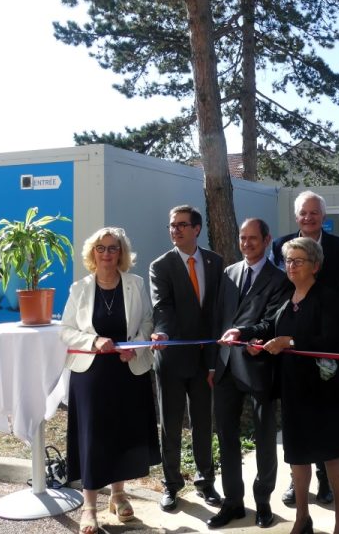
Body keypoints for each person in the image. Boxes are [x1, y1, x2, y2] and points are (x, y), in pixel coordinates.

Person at [245, 237, 339, 534]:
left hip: (325, 391)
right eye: (288, 261)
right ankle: (302, 517)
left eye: (298, 261)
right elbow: (268, 326)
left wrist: (290, 342)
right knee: (298, 457)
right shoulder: (287, 299)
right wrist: (250, 337)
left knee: (332, 455)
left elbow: (332, 340)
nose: (291, 266)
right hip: (294, 390)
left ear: (315, 265)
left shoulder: (329, 297)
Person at [59, 227, 160, 534]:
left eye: (113, 248)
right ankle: (89, 507)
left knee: (122, 435)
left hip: (126, 372)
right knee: (92, 438)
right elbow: (65, 330)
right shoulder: (80, 288)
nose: (106, 254)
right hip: (91, 375)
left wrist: (136, 346)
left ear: (121, 253)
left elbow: (146, 322)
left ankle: (118, 495)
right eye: (101, 249)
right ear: (93, 253)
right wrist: (94, 340)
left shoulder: (135, 284)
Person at [272, 190, 339, 505]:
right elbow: (276, 311)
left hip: (325, 368)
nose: (308, 218)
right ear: (296, 217)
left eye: (314, 213)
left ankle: (330, 492)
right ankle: (301, 495)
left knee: (330, 445)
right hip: (294, 376)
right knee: (299, 446)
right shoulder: (284, 248)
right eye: (303, 213)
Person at [209, 218, 293, 529]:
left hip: (259, 368)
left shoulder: (280, 280)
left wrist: (243, 332)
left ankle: (263, 503)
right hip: (226, 366)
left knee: (264, 437)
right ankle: (233, 503)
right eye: (243, 238)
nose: (246, 243)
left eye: (253, 238)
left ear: (267, 239)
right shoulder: (229, 273)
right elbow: (218, 319)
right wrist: (212, 364)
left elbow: (272, 323)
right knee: (227, 437)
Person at [149, 205, 224, 512]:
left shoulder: (215, 262)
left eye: (182, 225)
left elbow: (217, 312)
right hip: (171, 359)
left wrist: (214, 360)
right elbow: (162, 306)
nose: (175, 230)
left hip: (205, 360)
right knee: (170, 424)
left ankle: (206, 483)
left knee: (203, 423)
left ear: (197, 228)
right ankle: (171, 485)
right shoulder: (161, 265)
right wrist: (163, 333)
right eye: (172, 225)